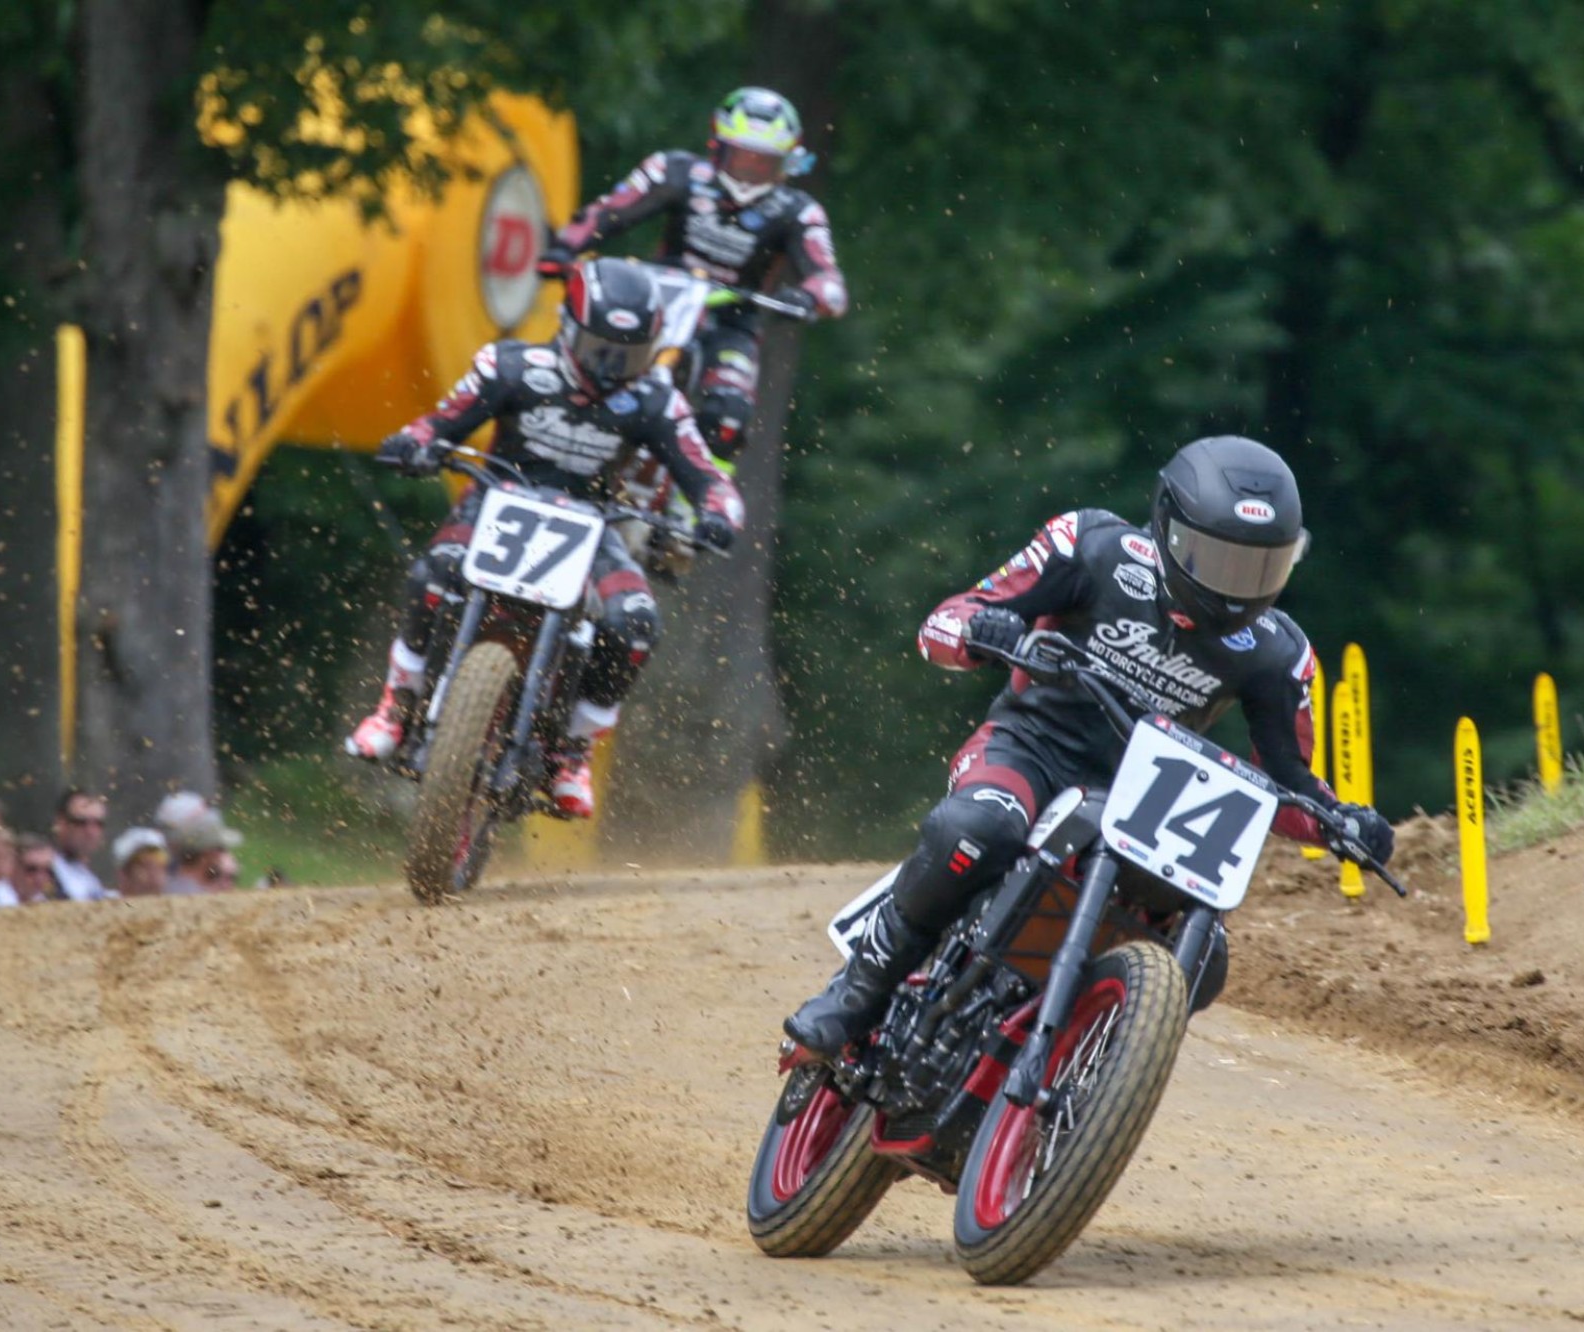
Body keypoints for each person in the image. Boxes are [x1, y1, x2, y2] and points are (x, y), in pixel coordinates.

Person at [784, 436, 1397, 1059]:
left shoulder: (1282, 654)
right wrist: (981, 632)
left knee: (1204, 962)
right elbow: (948, 619)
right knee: (975, 829)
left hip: (1148, 799)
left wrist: (1341, 822)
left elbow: (1288, 782)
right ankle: (855, 994)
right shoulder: (1091, 546)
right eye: (1217, 561)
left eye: (1258, 568)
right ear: (1167, 529)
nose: (1236, 588)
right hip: (1029, 750)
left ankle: (1079, 1068)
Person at [343, 255, 747, 819]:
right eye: (599, 349)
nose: (610, 367)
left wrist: (717, 511)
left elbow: (706, 473)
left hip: (593, 521)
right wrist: (416, 442)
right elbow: (442, 420)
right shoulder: (510, 366)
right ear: (567, 328)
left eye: (627, 356)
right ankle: (396, 702)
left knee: (635, 623)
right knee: (430, 575)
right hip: (495, 502)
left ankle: (572, 752)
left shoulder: (657, 401)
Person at [537, 86, 848, 460]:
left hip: (733, 322)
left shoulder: (800, 212)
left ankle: (706, 505)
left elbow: (830, 282)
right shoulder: (674, 171)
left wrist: (806, 297)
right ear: (717, 146)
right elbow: (608, 211)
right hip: (653, 302)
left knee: (729, 415)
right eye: (741, 156)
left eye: (763, 161)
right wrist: (564, 248)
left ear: (786, 162)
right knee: (567, 367)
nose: (750, 169)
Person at [49, 788, 112, 902]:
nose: (91, 832)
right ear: (60, 823)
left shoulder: (91, 879)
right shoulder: (43, 871)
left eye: (98, 824)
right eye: (81, 822)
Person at [164, 810, 242, 895]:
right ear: (209, 851)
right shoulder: (193, 894)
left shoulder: (171, 885)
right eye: (222, 848)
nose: (223, 854)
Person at [111, 827, 169, 897]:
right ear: (123, 874)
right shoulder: (100, 902)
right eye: (144, 864)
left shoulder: (175, 905)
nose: (153, 871)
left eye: (159, 861)